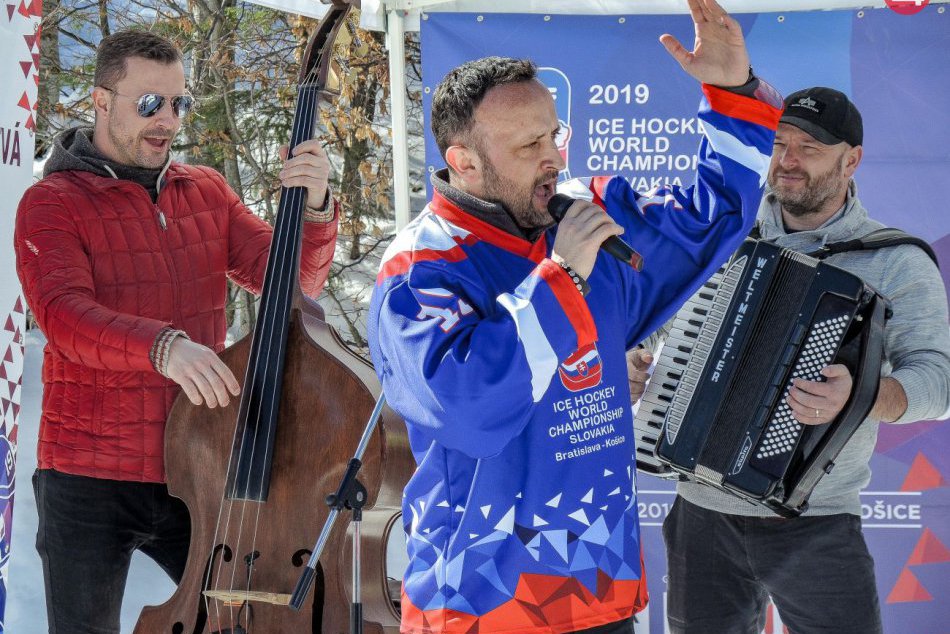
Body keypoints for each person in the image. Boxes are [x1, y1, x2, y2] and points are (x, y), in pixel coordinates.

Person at [367, 1, 783, 632]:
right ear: (463, 161)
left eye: (554, 135)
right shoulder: (420, 269)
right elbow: (471, 408)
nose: (553, 158)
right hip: (484, 604)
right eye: (529, 144)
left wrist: (733, 94)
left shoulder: (582, 217)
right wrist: (563, 279)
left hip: (599, 588)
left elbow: (708, 221)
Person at [14, 30, 339, 633]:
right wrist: (164, 348)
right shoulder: (52, 202)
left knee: (246, 620)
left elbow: (296, 286)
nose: (167, 120)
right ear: (101, 101)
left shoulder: (205, 190)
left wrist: (315, 204)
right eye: (148, 104)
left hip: (197, 468)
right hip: (88, 477)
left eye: (177, 104)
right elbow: (63, 316)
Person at [630, 87, 950, 634]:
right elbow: (654, 315)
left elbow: (938, 381)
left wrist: (863, 396)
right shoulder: (722, 230)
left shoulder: (895, 260)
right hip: (698, 512)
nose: (788, 159)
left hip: (815, 517)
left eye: (810, 147)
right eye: (780, 143)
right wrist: (636, 355)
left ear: (851, 160)